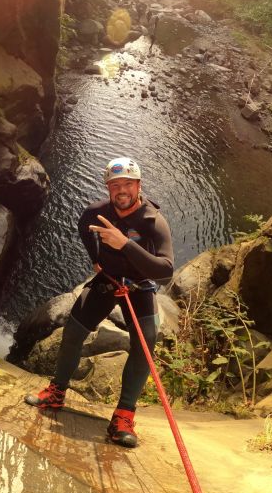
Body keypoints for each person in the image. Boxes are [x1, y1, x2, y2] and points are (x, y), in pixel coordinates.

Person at [25, 157, 174, 448]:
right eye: (115, 185)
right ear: (108, 188)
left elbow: (166, 270)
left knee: (145, 343)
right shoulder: (97, 212)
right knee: (73, 334)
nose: (121, 191)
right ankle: (57, 392)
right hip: (107, 283)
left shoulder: (153, 222)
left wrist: (125, 244)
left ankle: (123, 415)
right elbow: (84, 227)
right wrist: (96, 259)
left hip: (139, 289)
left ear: (138, 186)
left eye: (128, 185)